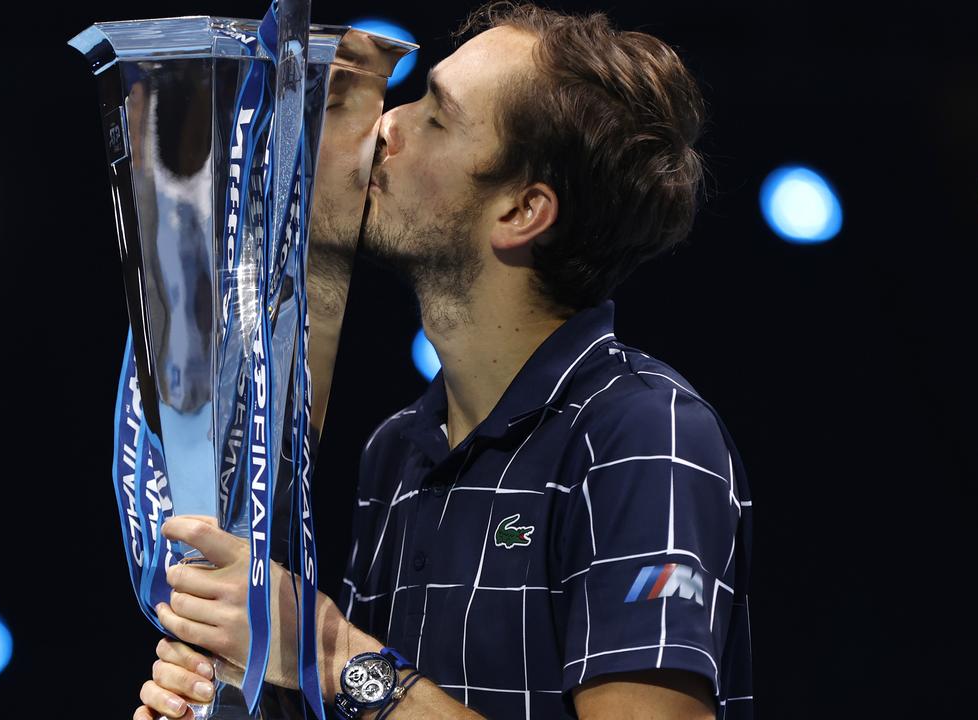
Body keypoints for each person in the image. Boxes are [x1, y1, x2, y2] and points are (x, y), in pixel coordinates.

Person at [135, 2, 753, 718]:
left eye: (436, 115)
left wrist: (328, 651)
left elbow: (360, 675)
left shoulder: (644, 434)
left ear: (523, 210)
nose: (388, 126)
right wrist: (241, 688)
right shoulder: (399, 447)